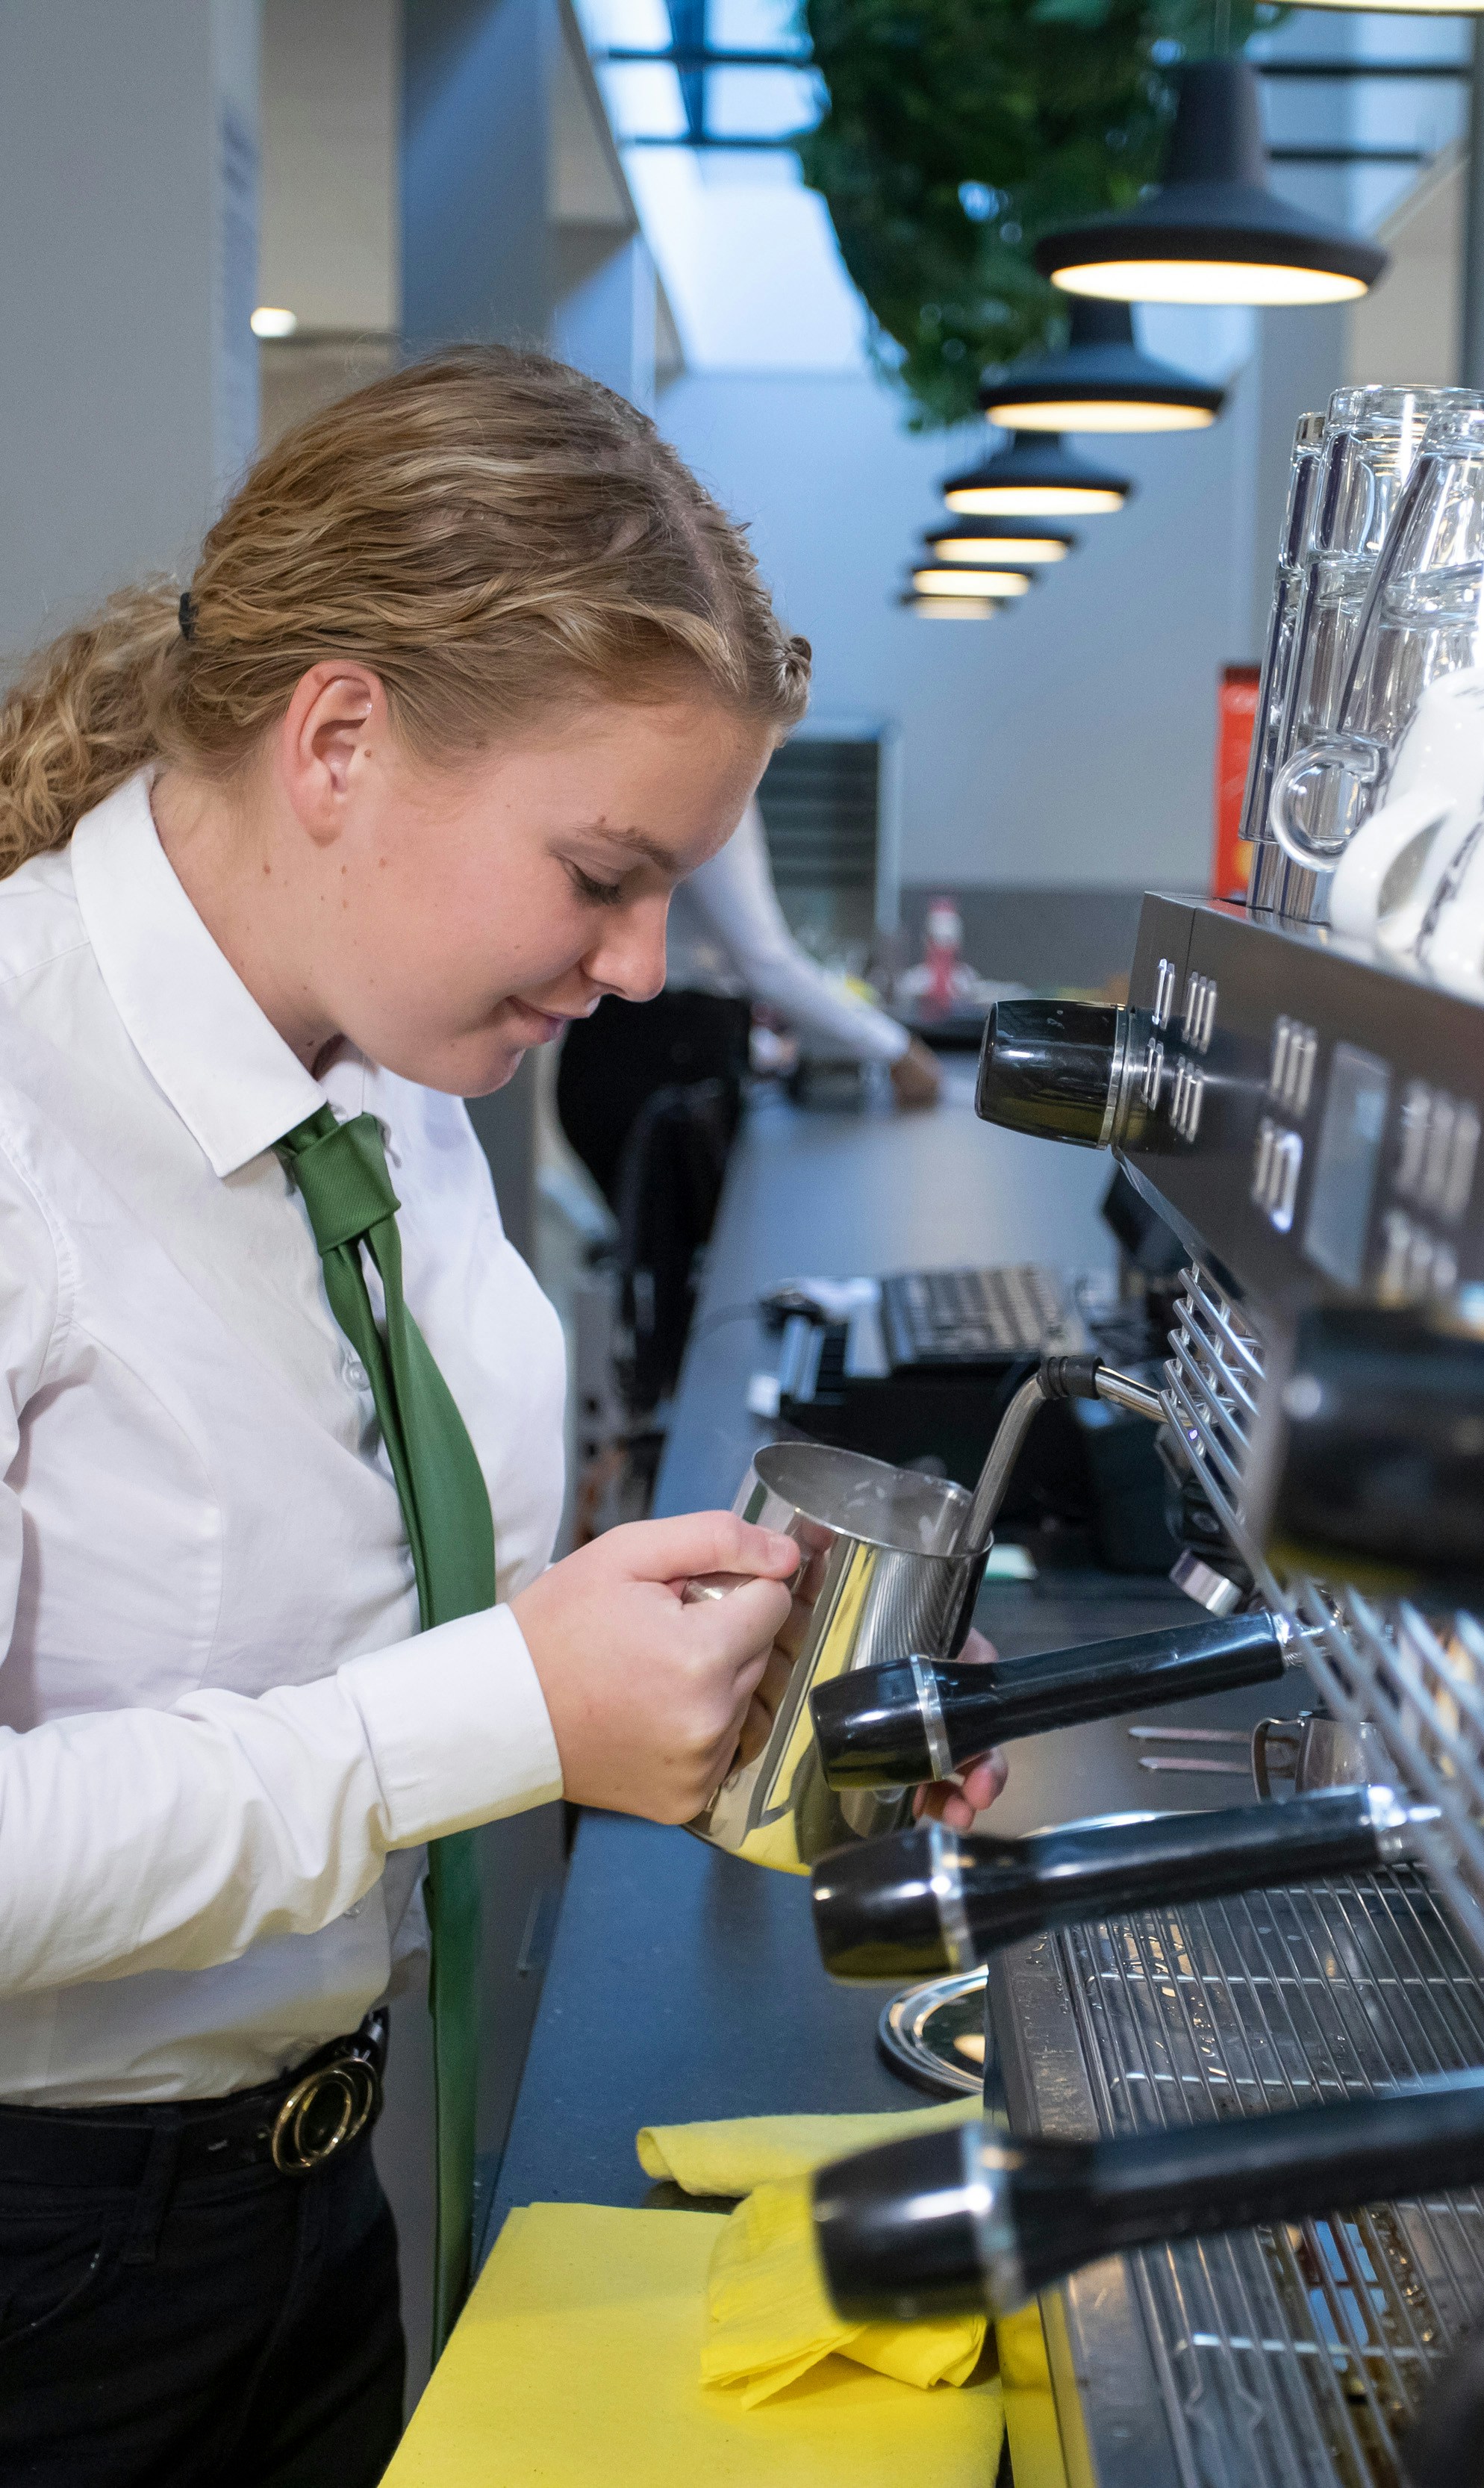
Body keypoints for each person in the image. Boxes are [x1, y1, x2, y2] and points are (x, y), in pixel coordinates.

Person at [0, 347, 1005, 2488]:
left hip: (315, 2203)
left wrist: (745, 1676)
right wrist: (500, 1714)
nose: (643, 965)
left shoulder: (388, 1062)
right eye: (600, 870)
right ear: (340, 738)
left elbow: (364, 1609)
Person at [552, 797, 943, 1217]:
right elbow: (765, 962)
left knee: (681, 1256)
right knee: (682, 1259)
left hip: (644, 1046)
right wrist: (895, 1049)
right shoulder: (711, 786)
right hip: (653, 1061)